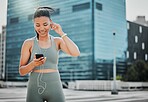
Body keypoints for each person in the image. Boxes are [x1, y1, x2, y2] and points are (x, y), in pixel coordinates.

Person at [19, 6, 80, 102]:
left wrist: (61, 33)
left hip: (55, 86)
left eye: (45, 24)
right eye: (37, 25)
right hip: (34, 88)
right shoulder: (28, 43)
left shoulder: (57, 41)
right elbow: (22, 71)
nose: (41, 28)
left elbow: (76, 53)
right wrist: (33, 64)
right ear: (34, 25)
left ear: (51, 23)